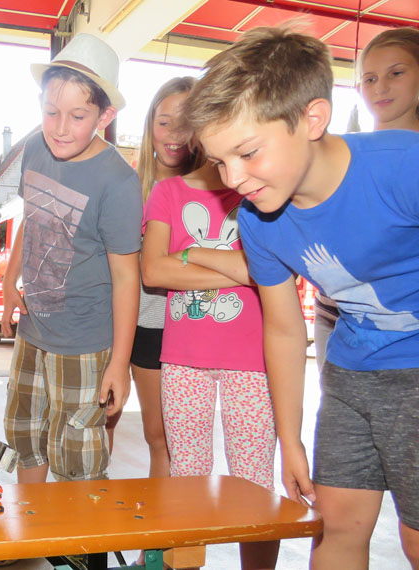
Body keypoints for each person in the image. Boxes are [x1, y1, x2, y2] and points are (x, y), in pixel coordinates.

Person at [182, 25, 419, 569]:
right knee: (333, 530)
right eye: (219, 162)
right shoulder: (258, 221)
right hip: (351, 378)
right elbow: (285, 329)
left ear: (312, 119)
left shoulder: (404, 167)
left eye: (247, 153)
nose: (233, 178)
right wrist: (289, 439)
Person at [0, 33, 142, 484]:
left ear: (105, 115)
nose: (60, 128)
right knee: (25, 439)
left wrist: (119, 363)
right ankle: (33, 527)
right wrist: (9, 283)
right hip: (33, 333)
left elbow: (127, 278)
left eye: (78, 116)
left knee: (77, 459)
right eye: (51, 112)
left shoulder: (118, 182)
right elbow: (31, 217)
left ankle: (76, 534)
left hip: (84, 345)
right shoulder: (35, 149)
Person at [141, 140, 279, 570]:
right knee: (187, 479)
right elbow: (153, 270)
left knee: (255, 482)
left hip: (254, 360)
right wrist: (237, 267)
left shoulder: (258, 189)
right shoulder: (167, 192)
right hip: (182, 359)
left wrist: (190, 254)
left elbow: (268, 269)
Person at [314, 26, 419, 371]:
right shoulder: (339, 153)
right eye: (370, 79)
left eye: (396, 73)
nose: (380, 87)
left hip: (404, 330)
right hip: (335, 318)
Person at [129, 77, 201, 479]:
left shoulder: (210, 188)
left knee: (166, 439)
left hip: (175, 326)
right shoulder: (128, 186)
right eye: (164, 122)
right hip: (124, 323)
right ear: (149, 125)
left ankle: (163, 526)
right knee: (104, 426)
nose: (174, 134)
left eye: (186, 122)